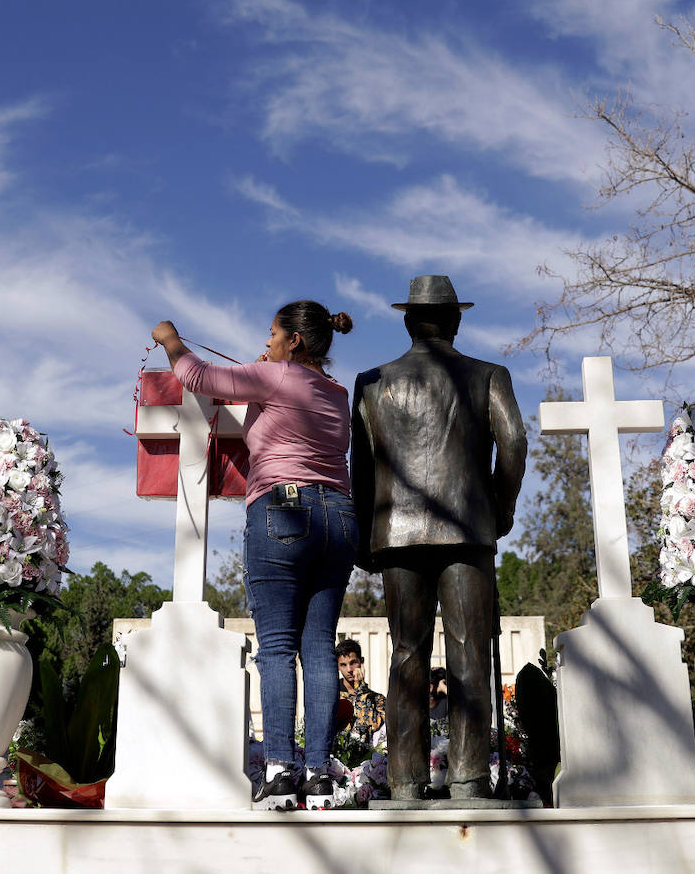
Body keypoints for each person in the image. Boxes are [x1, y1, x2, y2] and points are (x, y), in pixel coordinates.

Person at [151, 301, 355, 811]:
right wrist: (267, 372)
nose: (265, 344)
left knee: (277, 648)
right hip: (339, 517)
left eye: (271, 334)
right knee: (319, 648)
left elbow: (198, 375)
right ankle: (319, 775)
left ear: (295, 341)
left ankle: (281, 770)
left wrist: (170, 338)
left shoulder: (276, 375)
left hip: (284, 512)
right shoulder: (336, 393)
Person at [352, 275, 526, 801]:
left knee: (407, 653)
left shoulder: (371, 382)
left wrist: (367, 533)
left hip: (397, 532)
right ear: (455, 321)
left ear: (408, 322)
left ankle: (405, 781)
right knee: (470, 651)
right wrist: (501, 504)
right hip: (467, 529)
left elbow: (361, 466)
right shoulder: (488, 375)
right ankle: (469, 777)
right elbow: (514, 441)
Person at [335, 638, 385, 742]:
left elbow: (370, 727)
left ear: (361, 661)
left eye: (353, 663)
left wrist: (360, 688)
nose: (349, 670)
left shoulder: (377, 699)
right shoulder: (332, 697)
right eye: (343, 665)